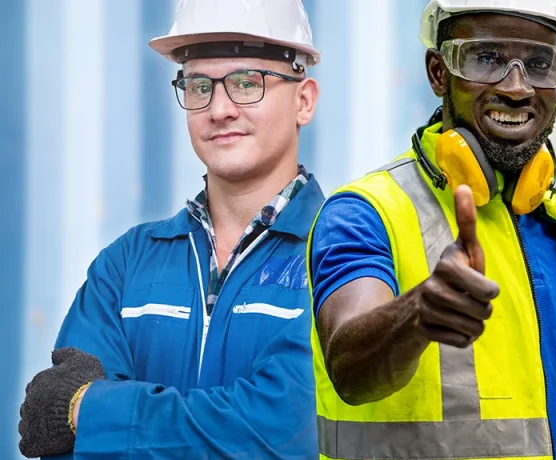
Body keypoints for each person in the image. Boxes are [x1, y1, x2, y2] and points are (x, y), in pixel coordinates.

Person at [306, 0, 556, 458]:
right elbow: (350, 369)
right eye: (486, 58)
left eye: (540, 64)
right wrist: (417, 313)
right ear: (438, 72)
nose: (517, 87)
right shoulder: (365, 212)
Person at [16, 0, 325, 458]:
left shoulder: (342, 256)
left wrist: (89, 411)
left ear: (304, 100)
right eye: (199, 86)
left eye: (246, 83)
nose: (219, 109)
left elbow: (283, 432)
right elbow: (59, 442)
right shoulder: (125, 266)